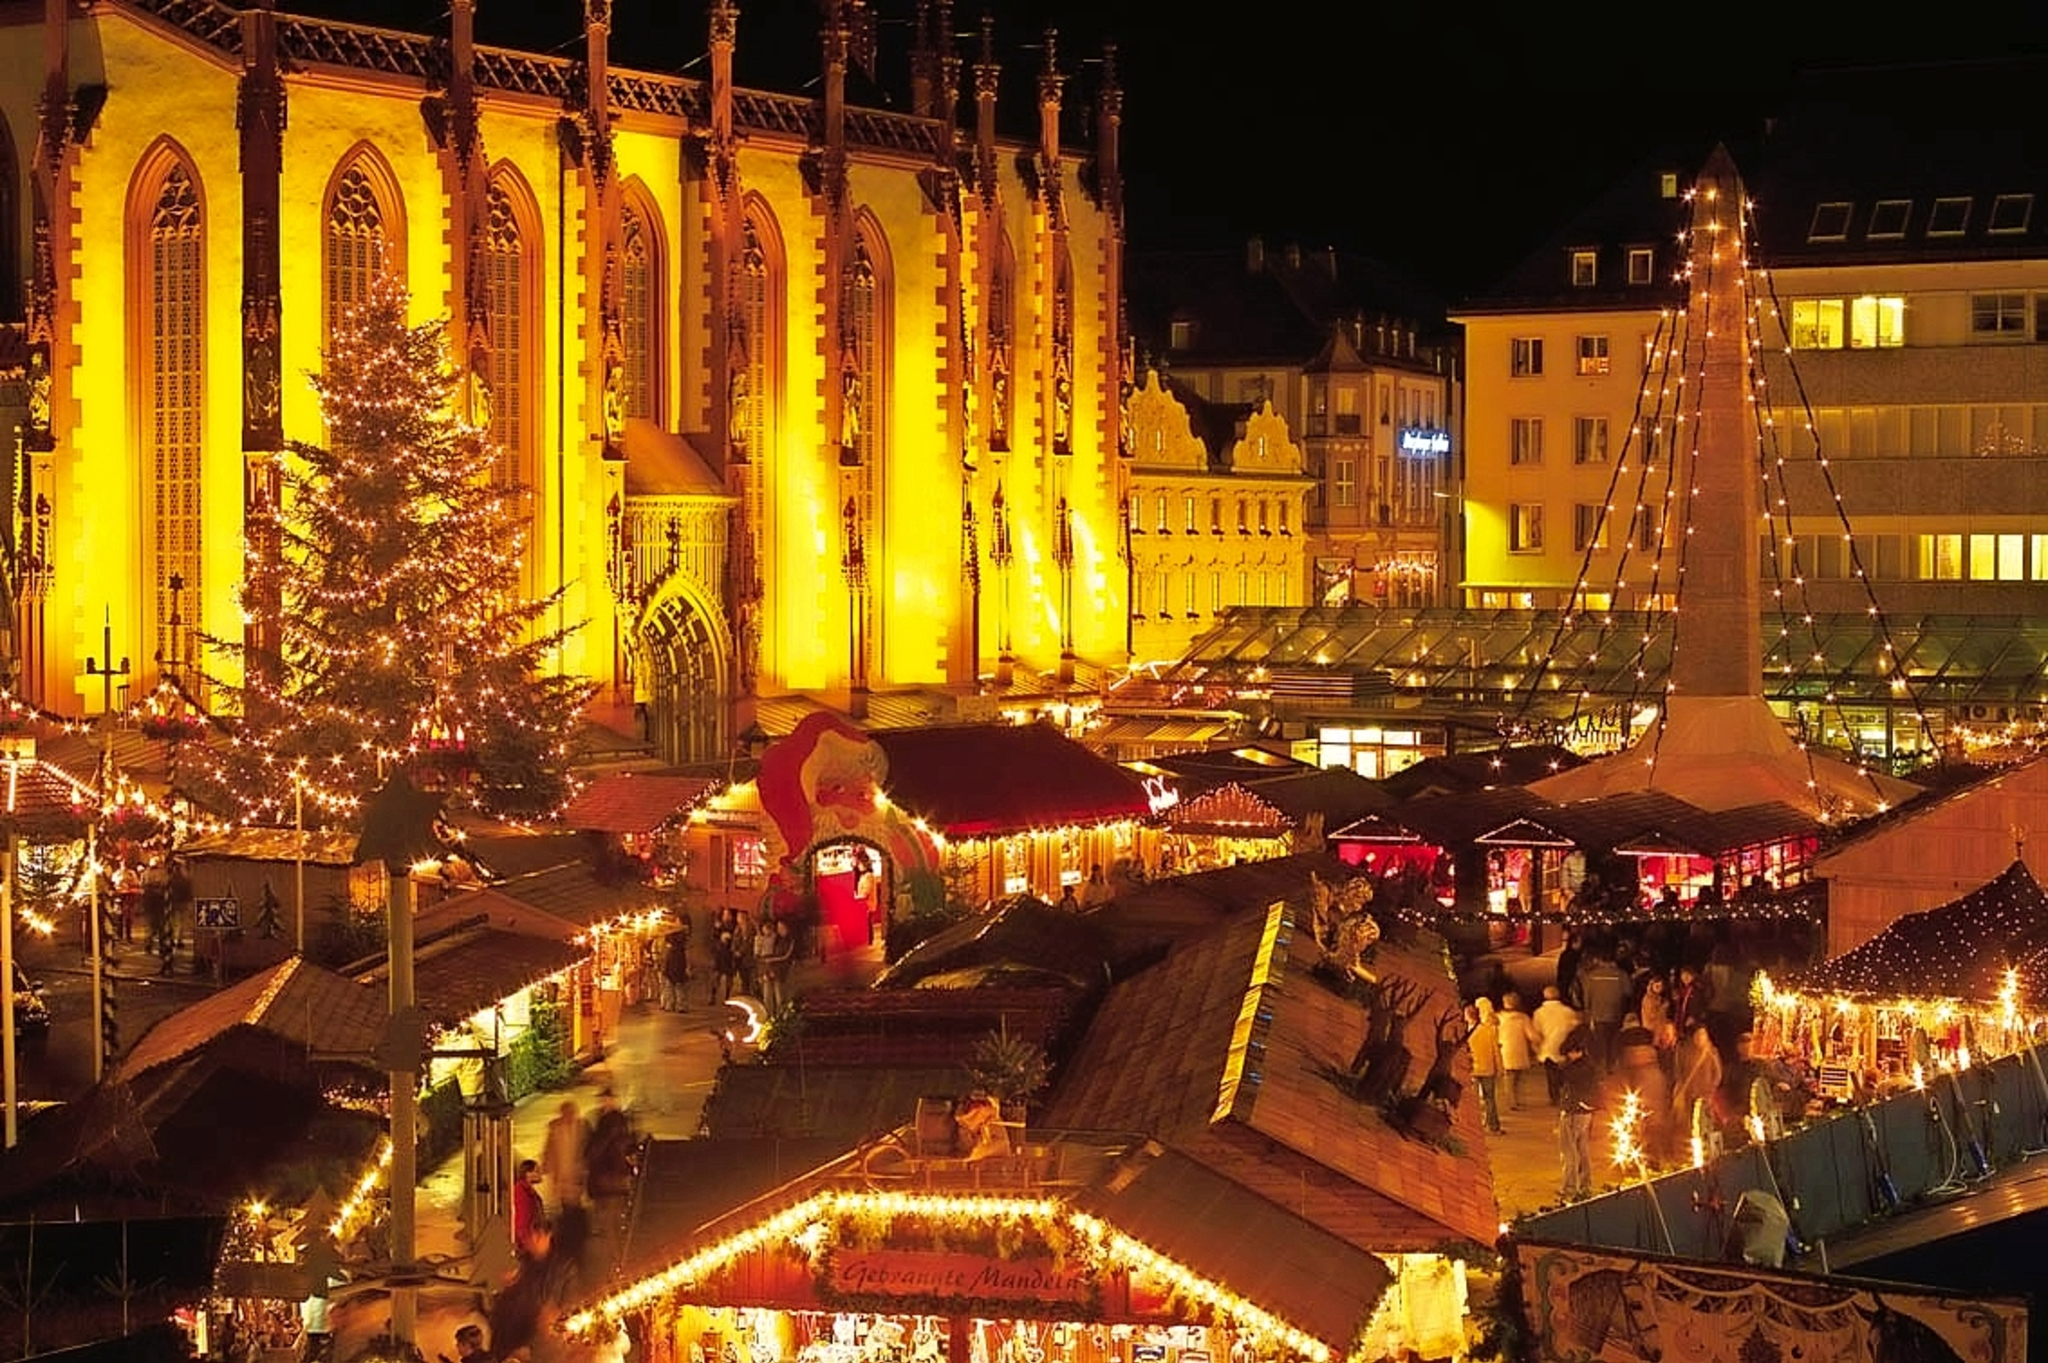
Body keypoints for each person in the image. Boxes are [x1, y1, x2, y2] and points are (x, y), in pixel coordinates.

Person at [586, 1088, 637, 1239]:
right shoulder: (612, 1119)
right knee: (612, 1219)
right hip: (613, 1176)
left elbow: (600, 1146)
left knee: (610, 1221)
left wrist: (590, 1156)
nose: (603, 1102)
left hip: (609, 1177)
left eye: (606, 1099)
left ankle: (618, 1257)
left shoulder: (611, 1122)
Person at [1557, 1027, 1599, 1200]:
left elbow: (1563, 1079)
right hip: (1585, 1112)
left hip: (1573, 1111)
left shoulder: (1576, 1069)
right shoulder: (1589, 1065)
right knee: (1583, 1148)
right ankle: (1585, 1184)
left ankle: (1570, 1187)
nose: (1567, 1056)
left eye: (1569, 1053)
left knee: (1569, 1150)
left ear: (1577, 1051)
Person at [1673, 1024, 1724, 1150]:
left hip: (1706, 1095)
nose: (1700, 1038)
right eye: (1698, 1035)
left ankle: (1711, 1148)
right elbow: (1679, 1073)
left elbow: (1717, 1074)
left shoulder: (1711, 1052)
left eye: (1703, 1034)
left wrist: (1711, 1090)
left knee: (1707, 1122)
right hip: (1690, 1095)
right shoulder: (1685, 1051)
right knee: (1691, 1125)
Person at [1577, 951, 1630, 1073]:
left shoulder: (1591, 976)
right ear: (1613, 961)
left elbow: (1586, 997)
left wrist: (1588, 1012)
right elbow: (1628, 993)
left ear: (1600, 961)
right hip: (1616, 1014)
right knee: (1614, 1041)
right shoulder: (1622, 975)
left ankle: (1603, 1067)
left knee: (1601, 1042)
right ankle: (1612, 1066)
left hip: (1598, 1015)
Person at [1531, 985, 1582, 1105]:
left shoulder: (1539, 1013)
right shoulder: (1568, 1012)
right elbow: (1576, 1029)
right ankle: (1566, 1095)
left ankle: (1555, 1098)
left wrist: (1536, 1047)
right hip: (1565, 1048)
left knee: (1551, 1075)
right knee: (1565, 1074)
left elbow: (1536, 1033)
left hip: (1547, 1048)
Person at [1465, 999, 1504, 1134]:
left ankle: (1475, 1127)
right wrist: (1500, 1068)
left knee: (1473, 1101)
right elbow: (1496, 1051)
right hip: (1488, 1070)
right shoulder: (1488, 1031)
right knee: (1490, 1099)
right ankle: (1493, 1126)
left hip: (1472, 1070)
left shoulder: (1465, 1033)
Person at [540, 1099, 587, 1211]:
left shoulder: (583, 1126)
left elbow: (587, 1148)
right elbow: (549, 1150)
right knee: (566, 1204)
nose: (570, 1116)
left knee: (575, 1204)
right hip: (563, 1175)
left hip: (576, 1174)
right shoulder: (556, 1128)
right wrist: (546, 1166)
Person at [1496, 990, 1537, 1111]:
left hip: (1505, 1050)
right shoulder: (1523, 1018)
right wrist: (1540, 1039)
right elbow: (1531, 1035)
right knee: (1517, 1077)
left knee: (1508, 1077)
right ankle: (1515, 1100)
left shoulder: (1499, 1017)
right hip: (1519, 1051)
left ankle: (1511, 1101)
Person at [510, 1160, 546, 1263]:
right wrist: (529, 1247)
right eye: (536, 1171)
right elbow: (522, 1221)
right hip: (527, 1246)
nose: (540, 1173)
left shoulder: (527, 1190)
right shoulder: (522, 1192)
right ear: (527, 1174)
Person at [758, 916, 794, 1014]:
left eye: (782, 928)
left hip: (781, 972)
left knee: (780, 997)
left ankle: (782, 1017)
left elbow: (785, 956)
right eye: (778, 928)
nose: (780, 930)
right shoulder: (777, 940)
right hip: (771, 970)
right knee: (768, 995)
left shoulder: (789, 940)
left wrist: (771, 960)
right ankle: (769, 1015)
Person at [661, 927, 691, 1012]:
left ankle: (670, 1005)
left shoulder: (670, 950)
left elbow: (667, 960)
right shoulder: (682, 949)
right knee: (679, 987)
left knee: (670, 987)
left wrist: (665, 969)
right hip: (679, 968)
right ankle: (680, 1006)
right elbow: (686, 959)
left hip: (672, 968)